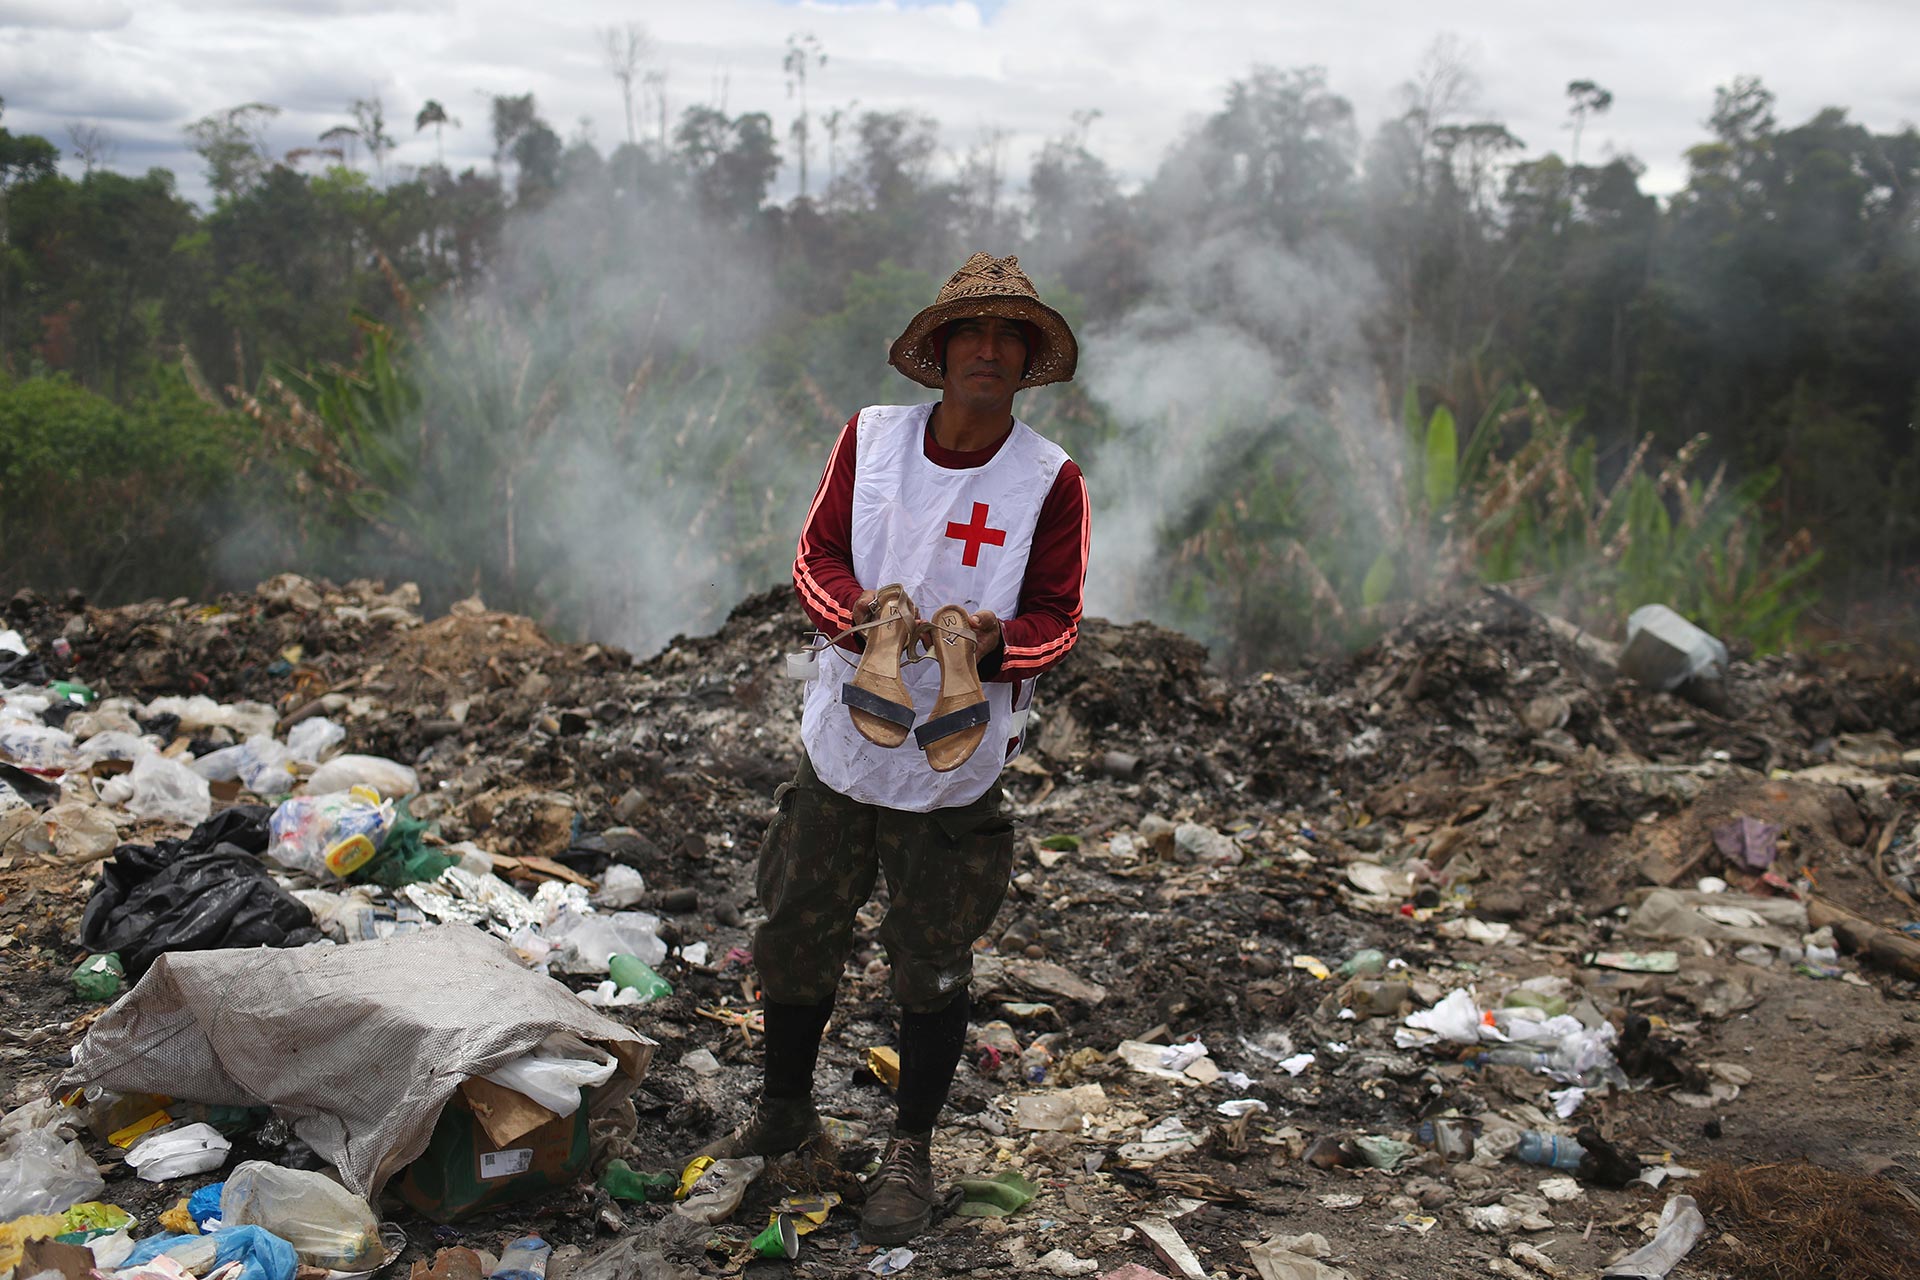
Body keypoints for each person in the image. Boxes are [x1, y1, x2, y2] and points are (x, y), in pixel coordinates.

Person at [695, 253, 1091, 1245]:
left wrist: (993, 642)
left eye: (1011, 336)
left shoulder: (1050, 480)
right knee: (794, 924)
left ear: (1028, 360)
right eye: (974, 333)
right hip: (843, 739)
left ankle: (909, 1148)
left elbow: (1059, 618)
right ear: (943, 351)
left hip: (957, 757)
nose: (990, 351)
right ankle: (787, 1110)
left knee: (933, 956)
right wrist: (861, 614)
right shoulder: (871, 441)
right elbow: (815, 554)